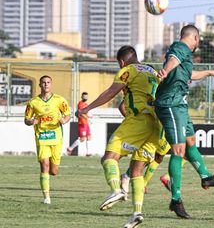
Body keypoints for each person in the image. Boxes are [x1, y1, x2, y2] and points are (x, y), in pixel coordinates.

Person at [77, 46, 160, 228]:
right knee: (136, 171)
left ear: (121, 62)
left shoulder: (128, 70)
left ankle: (116, 190)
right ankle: (137, 213)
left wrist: (86, 108)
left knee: (109, 157)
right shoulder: (152, 71)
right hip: (156, 125)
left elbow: (110, 92)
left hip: (139, 119)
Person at [155, 24, 214, 219]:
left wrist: (209, 72)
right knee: (178, 151)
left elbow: (186, 73)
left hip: (179, 103)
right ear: (195, 38)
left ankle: (206, 177)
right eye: (198, 41)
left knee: (190, 142)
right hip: (170, 104)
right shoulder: (181, 47)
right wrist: (164, 70)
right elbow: (172, 61)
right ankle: (176, 200)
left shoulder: (184, 53)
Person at [24, 75, 71, 204]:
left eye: (48, 82)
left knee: (54, 171)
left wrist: (64, 120)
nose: (46, 85)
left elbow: (67, 115)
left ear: (51, 84)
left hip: (56, 137)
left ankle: (50, 175)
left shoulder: (59, 100)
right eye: (43, 83)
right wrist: (31, 121)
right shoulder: (33, 102)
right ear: (39, 85)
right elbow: (26, 120)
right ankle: (46, 197)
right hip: (42, 137)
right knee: (44, 165)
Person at [67, 92, 92, 156]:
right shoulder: (80, 104)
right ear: (82, 97)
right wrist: (86, 117)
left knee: (89, 137)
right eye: (84, 96)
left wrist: (89, 116)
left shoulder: (86, 104)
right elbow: (80, 113)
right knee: (82, 139)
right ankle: (70, 148)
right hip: (82, 123)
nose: (85, 98)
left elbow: (86, 113)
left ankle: (88, 152)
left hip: (86, 123)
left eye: (86, 96)